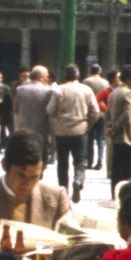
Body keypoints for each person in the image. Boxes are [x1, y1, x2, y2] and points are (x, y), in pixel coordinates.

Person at [0, 131, 72, 236]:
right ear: (4, 165)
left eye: (34, 177)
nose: (27, 183)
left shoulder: (56, 198)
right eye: (21, 175)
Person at [47, 64, 97, 202]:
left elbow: (50, 110)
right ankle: (78, 180)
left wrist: (58, 119)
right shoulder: (86, 90)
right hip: (80, 130)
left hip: (62, 131)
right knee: (80, 161)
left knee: (62, 162)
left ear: (65, 76)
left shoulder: (59, 90)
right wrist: (88, 125)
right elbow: (96, 111)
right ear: (78, 76)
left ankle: (63, 190)